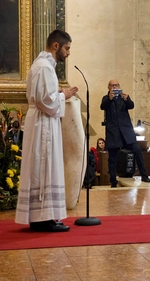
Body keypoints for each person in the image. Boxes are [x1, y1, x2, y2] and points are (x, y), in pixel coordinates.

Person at [15, 30, 78, 232]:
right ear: (56, 46)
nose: (68, 53)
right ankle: (42, 218)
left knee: (44, 167)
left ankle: (45, 216)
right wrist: (63, 95)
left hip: (44, 121)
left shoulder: (44, 66)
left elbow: (45, 95)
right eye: (67, 48)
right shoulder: (43, 67)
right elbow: (45, 100)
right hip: (43, 124)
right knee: (44, 166)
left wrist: (58, 94)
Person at [100, 79, 150, 187]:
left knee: (137, 150)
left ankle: (144, 175)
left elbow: (131, 106)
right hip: (113, 132)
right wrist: (110, 98)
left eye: (116, 85)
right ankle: (113, 181)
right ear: (108, 87)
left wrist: (126, 99)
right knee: (112, 157)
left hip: (126, 131)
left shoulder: (124, 97)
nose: (115, 87)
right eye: (112, 85)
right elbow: (102, 106)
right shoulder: (106, 98)